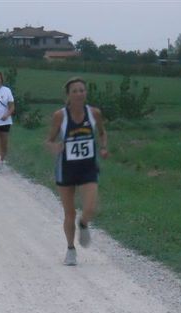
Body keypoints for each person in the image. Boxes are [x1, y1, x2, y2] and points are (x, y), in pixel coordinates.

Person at [45, 77, 108, 266]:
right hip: (66, 169)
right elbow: (48, 140)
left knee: (90, 208)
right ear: (69, 95)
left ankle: (84, 224)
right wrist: (54, 147)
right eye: (75, 91)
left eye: (82, 90)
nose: (79, 94)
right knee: (69, 212)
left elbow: (103, 133)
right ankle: (70, 249)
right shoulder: (60, 116)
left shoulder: (94, 113)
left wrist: (104, 147)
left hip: (88, 167)